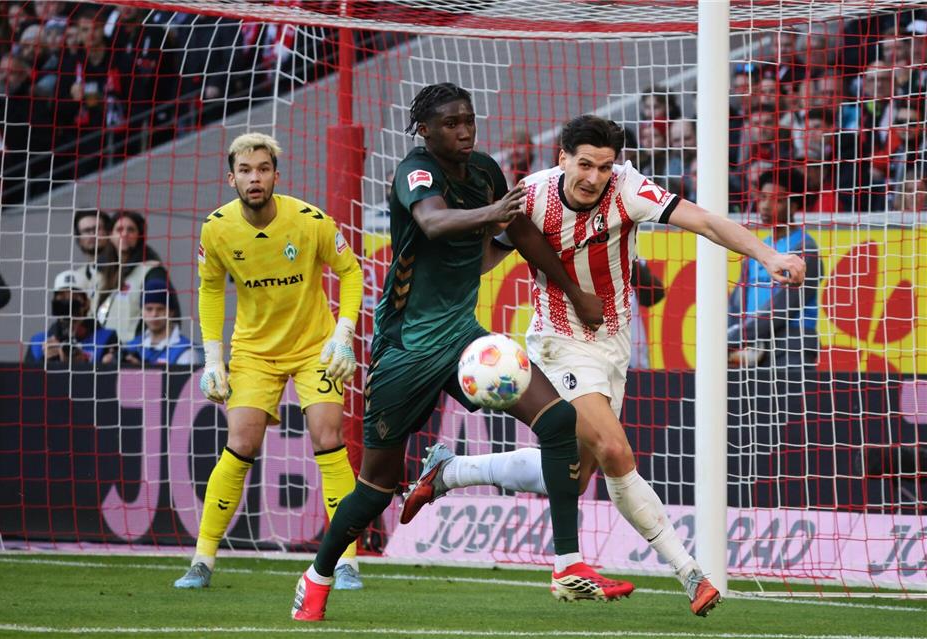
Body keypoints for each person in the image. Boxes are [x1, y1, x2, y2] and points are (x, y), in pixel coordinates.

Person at [400, 114, 808, 617]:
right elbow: (487, 258)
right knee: (615, 448)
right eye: (585, 164)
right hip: (557, 341)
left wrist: (766, 253)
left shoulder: (628, 188)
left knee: (570, 474)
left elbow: (702, 220)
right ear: (562, 158)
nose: (594, 177)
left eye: (605, 166)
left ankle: (450, 470)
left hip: (613, 343)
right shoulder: (530, 195)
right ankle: (691, 573)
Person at [291, 83, 629, 623]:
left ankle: (568, 565)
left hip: (463, 340)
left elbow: (521, 233)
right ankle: (317, 575)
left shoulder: (486, 171)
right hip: (405, 351)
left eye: (468, 120)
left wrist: (571, 290)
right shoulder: (415, 171)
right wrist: (493, 212)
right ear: (424, 129)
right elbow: (433, 221)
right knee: (376, 487)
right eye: (451, 123)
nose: (464, 130)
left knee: (560, 422)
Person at [174, 132, 365, 591]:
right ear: (231, 178)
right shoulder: (216, 228)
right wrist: (213, 359)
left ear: (276, 175)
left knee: (328, 437)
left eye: (262, 169)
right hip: (254, 352)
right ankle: (202, 559)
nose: (254, 177)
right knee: (240, 443)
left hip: (313, 346)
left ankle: (346, 563)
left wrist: (343, 335)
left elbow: (351, 271)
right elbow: (210, 289)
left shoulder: (310, 221)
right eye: (245, 170)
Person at [728, 166, 821, 369]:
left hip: (791, 343)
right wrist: (730, 333)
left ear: (794, 206)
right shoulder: (758, 248)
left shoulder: (805, 249)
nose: (765, 206)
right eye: (762, 198)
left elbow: (784, 307)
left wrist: (736, 336)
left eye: (776, 200)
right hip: (752, 346)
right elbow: (736, 301)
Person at [94, 210, 169, 344]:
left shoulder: (152, 271)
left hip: (133, 352)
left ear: (139, 236)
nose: (124, 234)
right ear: (110, 235)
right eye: (119, 229)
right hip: (103, 351)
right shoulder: (101, 273)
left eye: (131, 230)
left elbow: (163, 315)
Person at [25, 269, 118, 367]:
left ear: (86, 303)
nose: (67, 303)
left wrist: (84, 363)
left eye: (74, 297)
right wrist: (45, 360)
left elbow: (112, 379)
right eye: (61, 298)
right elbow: (28, 380)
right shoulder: (38, 342)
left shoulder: (107, 338)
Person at [122, 278, 203, 368]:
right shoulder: (131, 346)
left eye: (160, 309)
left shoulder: (186, 352)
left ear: (171, 312)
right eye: (149, 309)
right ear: (141, 311)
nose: (154, 314)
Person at [72, 209, 113, 305]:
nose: (92, 234)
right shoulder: (77, 277)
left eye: (97, 229)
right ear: (79, 239)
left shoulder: (124, 269)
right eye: (86, 231)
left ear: (108, 232)